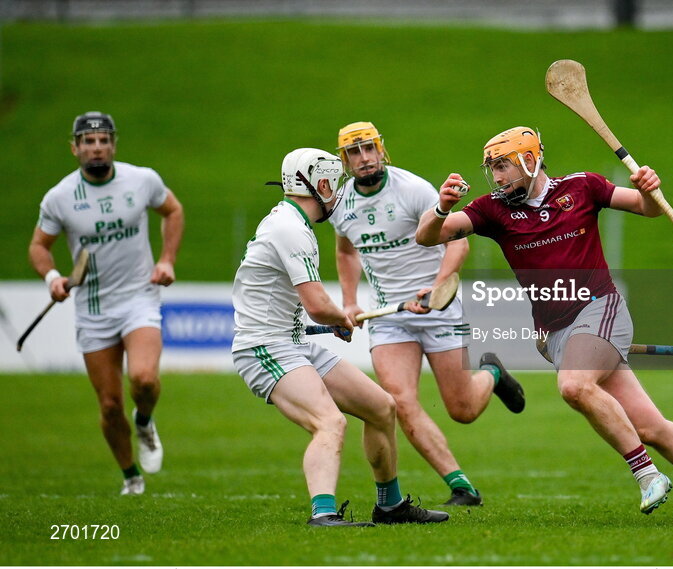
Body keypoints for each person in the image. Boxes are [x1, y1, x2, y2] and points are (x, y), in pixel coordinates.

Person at [416, 126, 673, 525]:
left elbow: (647, 208)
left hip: (600, 308)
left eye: (503, 166)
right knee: (651, 426)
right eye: (492, 169)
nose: (497, 177)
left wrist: (647, 188)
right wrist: (442, 207)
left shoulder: (583, 187)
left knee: (574, 385)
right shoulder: (492, 209)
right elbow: (428, 237)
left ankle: (646, 474)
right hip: (557, 333)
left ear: (530, 159)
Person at [232, 147, 449, 527]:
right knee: (329, 422)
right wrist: (341, 316)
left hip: (293, 342)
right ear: (320, 184)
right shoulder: (290, 229)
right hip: (263, 347)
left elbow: (311, 310)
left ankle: (390, 506)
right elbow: (317, 304)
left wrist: (335, 318)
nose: (338, 192)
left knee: (381, 407)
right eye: (335, 183)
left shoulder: (293, 223)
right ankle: (323, 513)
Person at [330, 122, 525, 507]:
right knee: (399, 401)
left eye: (369, 148)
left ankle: (493, 373)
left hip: (440, 307)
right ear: (345, 160)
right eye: (355, 152)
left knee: (463, 410)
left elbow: (458, 247)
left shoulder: (413, 189)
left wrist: (437, 287)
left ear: (381, 150)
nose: (364, 158)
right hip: (389, 316)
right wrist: (350, 302)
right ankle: (461, 486)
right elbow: (347, 251)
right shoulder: (340, 205)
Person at [28, 112, 184, 496]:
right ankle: (131, 476)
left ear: (113, 144)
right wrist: (52, 278)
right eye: (88, 141)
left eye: (103, 140)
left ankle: (145, 421)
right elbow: (38, 247)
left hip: (139, 298)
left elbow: (173, 211)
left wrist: (166, 259)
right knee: (110, 405)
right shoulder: (60, 198)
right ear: (75, 148)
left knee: (144, 379)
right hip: (93, 309)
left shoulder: (142, 180)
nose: (96, 147)